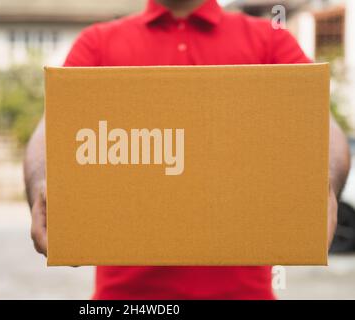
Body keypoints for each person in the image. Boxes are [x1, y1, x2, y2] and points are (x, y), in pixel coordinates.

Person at [24, 0, 351, 299]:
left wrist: (325, 186)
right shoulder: (98, 43)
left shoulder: (269, 39)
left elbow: (322, 122)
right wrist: (41, 185)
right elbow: (52, 124)